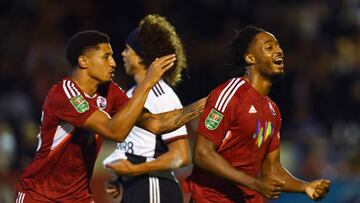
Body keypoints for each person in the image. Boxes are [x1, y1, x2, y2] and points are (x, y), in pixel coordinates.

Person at [15, 30, 206, 202]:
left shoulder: (111, 92)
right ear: (84, 61)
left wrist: (206, 103)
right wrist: (147, 83)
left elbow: (156, 123)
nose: (113, 63)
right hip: (40, 195)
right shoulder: (64, 94)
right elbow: (115, 131)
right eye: (106, 57)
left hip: (78, 196)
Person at [184, 25, 330, 203]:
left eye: (278, 46)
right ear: (250, 58)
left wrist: (304, 186)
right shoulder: (231, 94)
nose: (279, 51)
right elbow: (201, 154)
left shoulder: (272, 111)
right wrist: (254, 183)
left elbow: (272, 169)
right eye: (269, 47)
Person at [103, 14, 190, 203]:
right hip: (137, 187)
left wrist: (134, 170)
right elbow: (137, 145)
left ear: (142, 56)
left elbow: (181, 155)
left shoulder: (162, 95)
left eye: (128, 49)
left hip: (155, 187)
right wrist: (120, 178)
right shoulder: (131, 94)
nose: (123, 54)